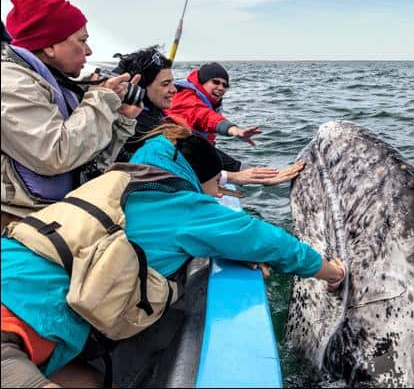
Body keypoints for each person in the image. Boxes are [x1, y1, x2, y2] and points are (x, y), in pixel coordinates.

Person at [1, 123, 346, 388]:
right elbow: (265, 240)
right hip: (17, 326)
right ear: (196, 180)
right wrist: (331, 272)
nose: (213, 197)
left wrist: (220, 245)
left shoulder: (121, 182)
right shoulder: (182, 205)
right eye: (213, 188)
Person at [0, 0, 142, 231]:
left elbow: (87, 163)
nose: (88, 51)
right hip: (18, 223)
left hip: (55, 217)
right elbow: (54, 155)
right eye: (81, 40)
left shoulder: (56, 84)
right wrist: (102, 99)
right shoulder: (12, 83)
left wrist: (120, 121)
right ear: (50, 46)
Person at [114, 47, 303, 187]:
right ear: (136, 89)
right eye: (165, 84)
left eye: (225, 85)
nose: (173, 89)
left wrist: (243, 170)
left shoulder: (154, 113)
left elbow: (190, 146)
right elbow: (169, 160)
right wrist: (235, 176)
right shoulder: (138, 125)